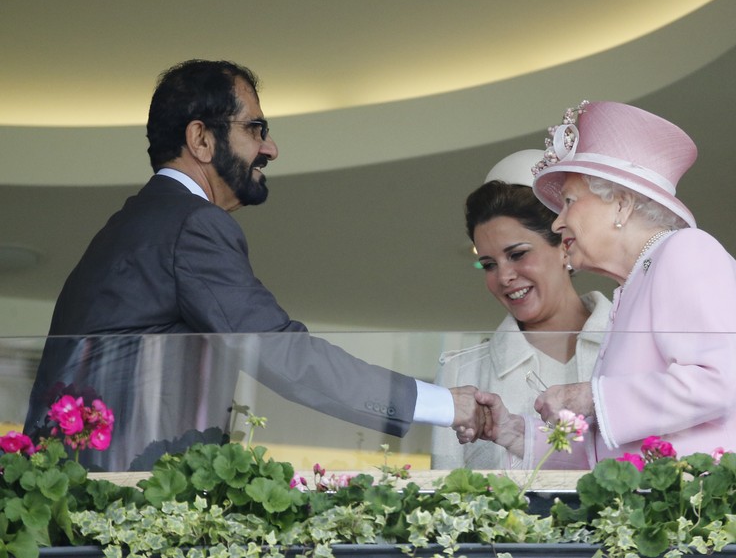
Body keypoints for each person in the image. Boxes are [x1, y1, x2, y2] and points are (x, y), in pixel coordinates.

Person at [24, 59, 483, 470]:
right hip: (125, 503)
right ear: (201, 139)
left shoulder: (131, 224)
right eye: (255, 129)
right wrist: (446, 405)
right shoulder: (192, 223)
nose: (270, 149)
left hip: (86, 496)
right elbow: (283, 355)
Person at [474, 100, 736, 463]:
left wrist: (590, 396)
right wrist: (514, 432)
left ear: (620, 204)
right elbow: (619, 443)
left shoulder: (687, 249)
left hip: (705, 509)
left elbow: (712, 384)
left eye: (569, 202)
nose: (558, 223)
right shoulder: (638, 282)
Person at [430, 150, 611, 470]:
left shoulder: (634, 344)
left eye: (517, 254)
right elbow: (445, 498)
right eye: (488, 264)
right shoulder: (463, 373)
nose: (503, 277)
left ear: (565, 246)